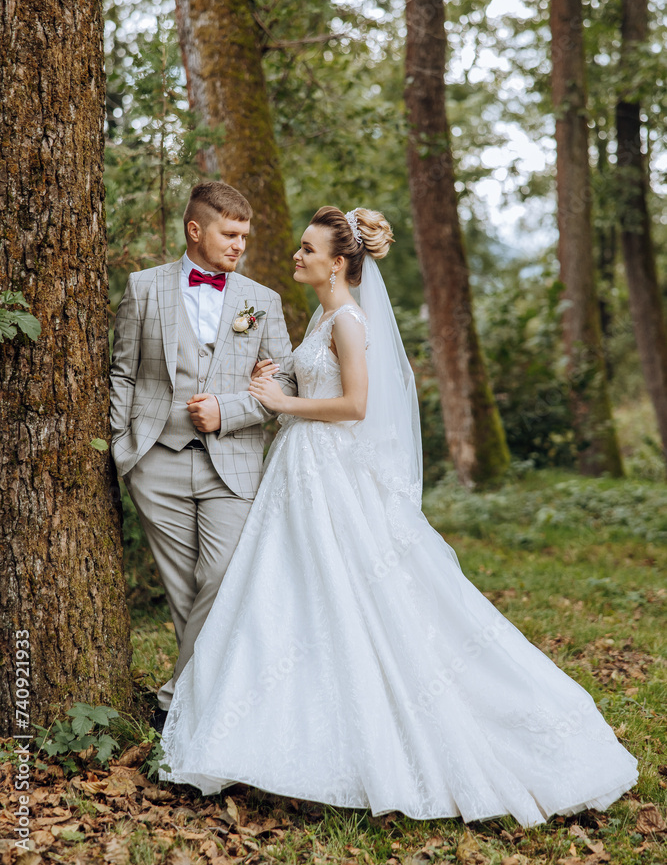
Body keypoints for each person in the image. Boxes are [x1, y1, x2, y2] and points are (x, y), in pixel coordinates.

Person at [158, 205, 637, 826]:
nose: (297, 256)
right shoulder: (324, 315)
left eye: (308, 249)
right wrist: (272, 381)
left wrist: (284, 402)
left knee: (349, 594)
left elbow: (356, 405)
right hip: (302, 469)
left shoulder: (350, 321)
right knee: (294, 595)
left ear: (338, 262)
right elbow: (320, 386)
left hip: (327, 470)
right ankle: (270, 732)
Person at [109, 182, 295, 722]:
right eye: (229, 234)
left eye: (244, 236)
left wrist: (229, 409)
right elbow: (123, 371)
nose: (240, 246)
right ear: (196, 230)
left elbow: (285, 389)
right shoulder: (144, 288)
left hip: (232, 462)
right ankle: (209, 712)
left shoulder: (262, 302)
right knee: (182, 590)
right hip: (156, 460)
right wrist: (124, 450)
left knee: (223, 578)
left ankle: (175, 704)